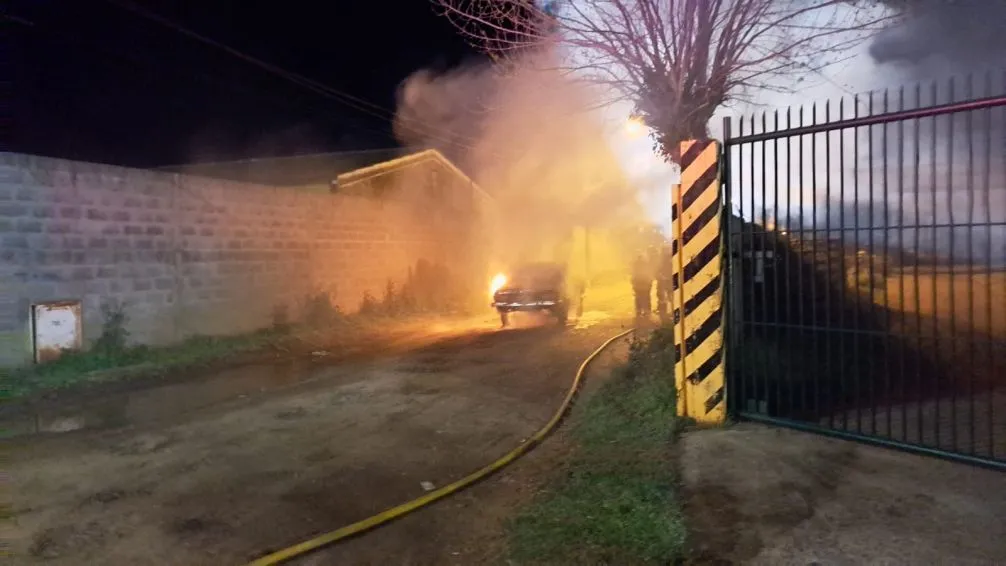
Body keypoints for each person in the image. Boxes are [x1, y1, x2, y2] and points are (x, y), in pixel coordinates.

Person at [655, 245, 673, 320]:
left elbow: (657, 271)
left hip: (666, 281)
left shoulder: (662, 259)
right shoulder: (663, 259)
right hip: (666, 281)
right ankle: (664, 312)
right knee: (665, 297)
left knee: (667, 297)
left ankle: (664, 312)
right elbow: (657, 271)